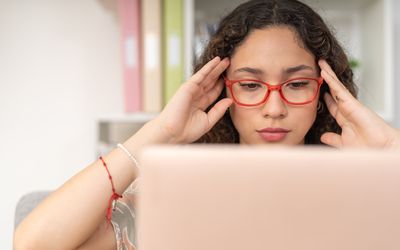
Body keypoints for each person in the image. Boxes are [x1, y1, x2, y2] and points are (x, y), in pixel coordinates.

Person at [14, 0, 400, 249]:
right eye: (250, 86)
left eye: (297, 84)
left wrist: (389, 153)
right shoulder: (172, 194)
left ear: (324, 93)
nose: (274, 108)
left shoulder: (367, 194)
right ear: (221, 92)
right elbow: (35, 245)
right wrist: (160, 132)